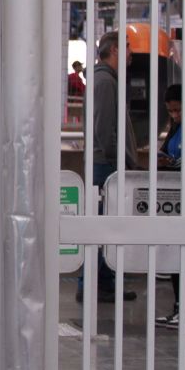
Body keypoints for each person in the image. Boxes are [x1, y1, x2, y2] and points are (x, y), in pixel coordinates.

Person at [77, 30, 138, 304]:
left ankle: (102, 283)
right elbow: (104, 128)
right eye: (127, 48)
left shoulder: (105, 80)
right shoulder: (104, 82)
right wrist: (119, 159)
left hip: (105, 163)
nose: (131, 54)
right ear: (114, 50)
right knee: (102, 226)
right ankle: (92, 284)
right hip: (105, 165)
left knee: (103, 225)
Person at [155, 83, 185, 328]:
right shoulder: (176, 128)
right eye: (171, 111)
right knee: (177, 257)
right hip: (176, 198)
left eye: (178, 110)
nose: (175, 115)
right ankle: (179, 307)